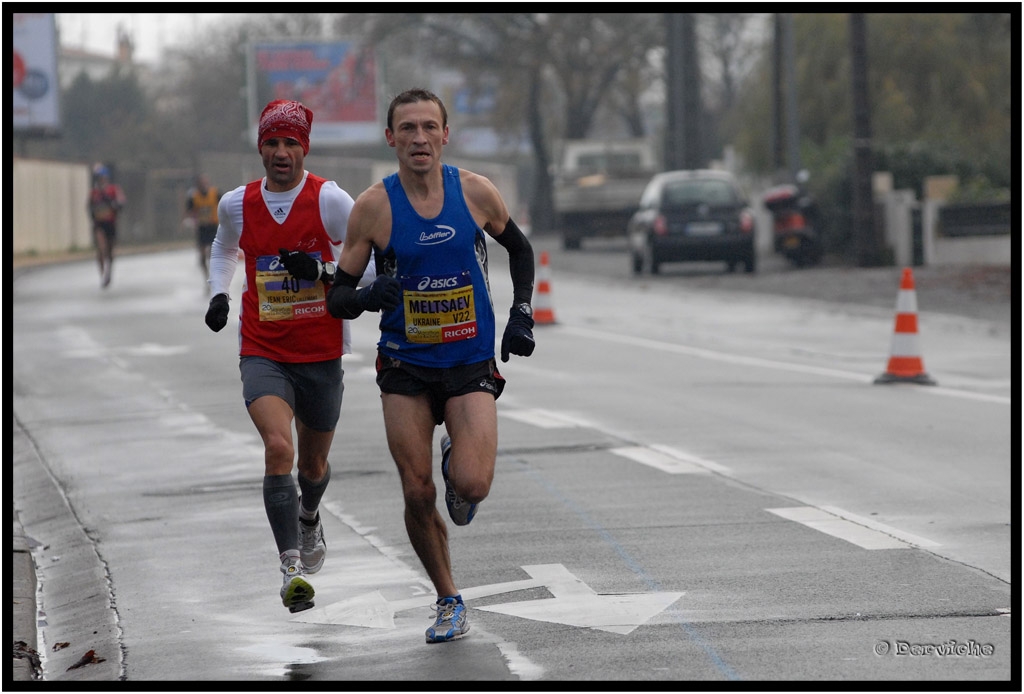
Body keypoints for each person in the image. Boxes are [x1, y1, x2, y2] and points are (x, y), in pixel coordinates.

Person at [326, 88, 537, 643]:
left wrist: (521, 316)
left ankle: (457, 463)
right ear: (390, 138)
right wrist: (373, 296)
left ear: (445, 135)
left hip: (468, 361)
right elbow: (338, 297)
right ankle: (448, 598)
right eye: (407, 129)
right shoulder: (374, 207)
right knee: (416, 491)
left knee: (473, 484)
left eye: (428, 128)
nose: (419, 139)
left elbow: (521, 250)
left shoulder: (473, 192)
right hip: (405, 365)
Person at [203, 99, 373, 613]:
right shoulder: (236, 203)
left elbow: (369, 268)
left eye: (290, 143)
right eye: (271, 143)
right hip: (263, 348)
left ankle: (310, 514)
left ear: (305, 148)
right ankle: (290, 566)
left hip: (320, 352)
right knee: (279, 448)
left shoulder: (331, 201)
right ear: (260, 148)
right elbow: (222, 247)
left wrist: (322, 270)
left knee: (313, 465)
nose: (281, 153)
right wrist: (219, 294)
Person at [88, 164, 126, 288]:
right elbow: (89, 207)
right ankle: (102, 274)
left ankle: (109, 271)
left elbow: (121, 203)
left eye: (102, 178)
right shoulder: (94, 193)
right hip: (99, 224)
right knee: (101, 248)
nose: (100, 180)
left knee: (109, 250)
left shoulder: (113, 190)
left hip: (111, 223)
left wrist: (113, 204)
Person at [186, 173, 221, 285]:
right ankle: (206, 277)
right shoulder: (193, 197)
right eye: (201, 183)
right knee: (202, 257)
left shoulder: (215, 193)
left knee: (212, 254)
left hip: (213, 227)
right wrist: (192, 220)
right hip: (202, 228)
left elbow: (223, 205)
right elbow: (189, 211)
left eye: (205, 182)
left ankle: (214, 276)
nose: (203, 185)